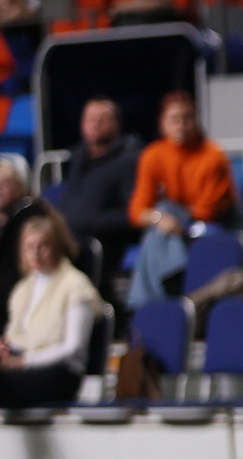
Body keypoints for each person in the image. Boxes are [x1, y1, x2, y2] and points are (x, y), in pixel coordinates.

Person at [126, 91, 234, 308]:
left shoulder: (213, 155)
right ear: (162, 123)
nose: (181, 125)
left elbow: (208, 210)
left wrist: (171, 217)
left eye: (187, 118)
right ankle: (171, 287)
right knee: (160, 221)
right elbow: (137, 211)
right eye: (174, 119)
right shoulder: (152, 155)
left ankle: (146, 305)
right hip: (168, 227)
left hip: (205, 225)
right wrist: (159, 218)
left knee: (160, 224)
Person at [0, 213, 105, 407]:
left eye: (43, 246)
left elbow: (73, 348)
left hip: (61, 373)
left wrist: (23, 361)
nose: (36, 253)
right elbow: (14, 339)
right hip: (23, 367)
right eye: (29, 247)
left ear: (56, 246)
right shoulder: (22, 289)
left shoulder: (76, 286)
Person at [54, 97, 142, 285]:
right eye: (90, 118)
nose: (95, 124)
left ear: (117, 123)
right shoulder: (78, 157)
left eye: (103, 118)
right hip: (65, 237)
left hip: (98, 245)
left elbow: (134, 214)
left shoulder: (129, 161)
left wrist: (93, 220)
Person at [0, 153, 52, 293]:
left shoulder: (31, 214)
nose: (0, 189)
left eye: (5, 183)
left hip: (26, 285)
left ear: (18, 185)